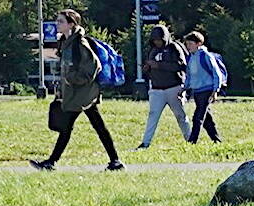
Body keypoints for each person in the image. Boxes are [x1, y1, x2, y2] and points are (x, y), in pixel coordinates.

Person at [32, 9, 123, 171]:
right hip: (76, 93)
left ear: (71, 24)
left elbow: (94, 66)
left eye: (61, 21)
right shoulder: (66, 43)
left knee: (69, 127)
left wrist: (74, 79)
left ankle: (51, 162)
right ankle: (115, 161)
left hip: (83, 93)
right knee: (96, 126)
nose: (57, 24)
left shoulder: (79, 43)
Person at [138, 24, 189, 148]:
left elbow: (181, 66)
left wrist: (159, 65)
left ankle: (190, 139)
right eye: (154, 40)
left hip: (174, 87)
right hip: (156, 89)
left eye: (159, 40)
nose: (157, 42)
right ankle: (145, 143)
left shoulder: (174, 48)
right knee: (152, 116)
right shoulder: (152, 50)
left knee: (180, 116)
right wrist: (148, 68)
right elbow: (152, 66)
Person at [182, 30, 224, 143]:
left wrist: (215, 90)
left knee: (198, 117)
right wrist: (184, 88)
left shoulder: (205, 56)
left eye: (190, 44)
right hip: (197, 91)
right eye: (187, 44)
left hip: (207, 90)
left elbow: (216, 73)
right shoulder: (191, 58)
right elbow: (190, 75)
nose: (188, 46)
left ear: (198, 43)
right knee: (206, 119)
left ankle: (192, 141)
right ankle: (216, 140)